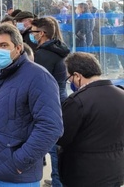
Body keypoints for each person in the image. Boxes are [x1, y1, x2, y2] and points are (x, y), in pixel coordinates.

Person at [0, 24, 63, 187]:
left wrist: (20, 161)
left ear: (18, 48)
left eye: (3, 45)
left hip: (15, 176)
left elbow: (50, 126)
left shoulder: (38, 77)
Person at [58, 52, 124, 187]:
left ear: (77, 76)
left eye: (69, 78)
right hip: (116, 170)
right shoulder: (121, 94)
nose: (70, 82)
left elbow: (62, 137)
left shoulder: (77, 101)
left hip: (83, 173)